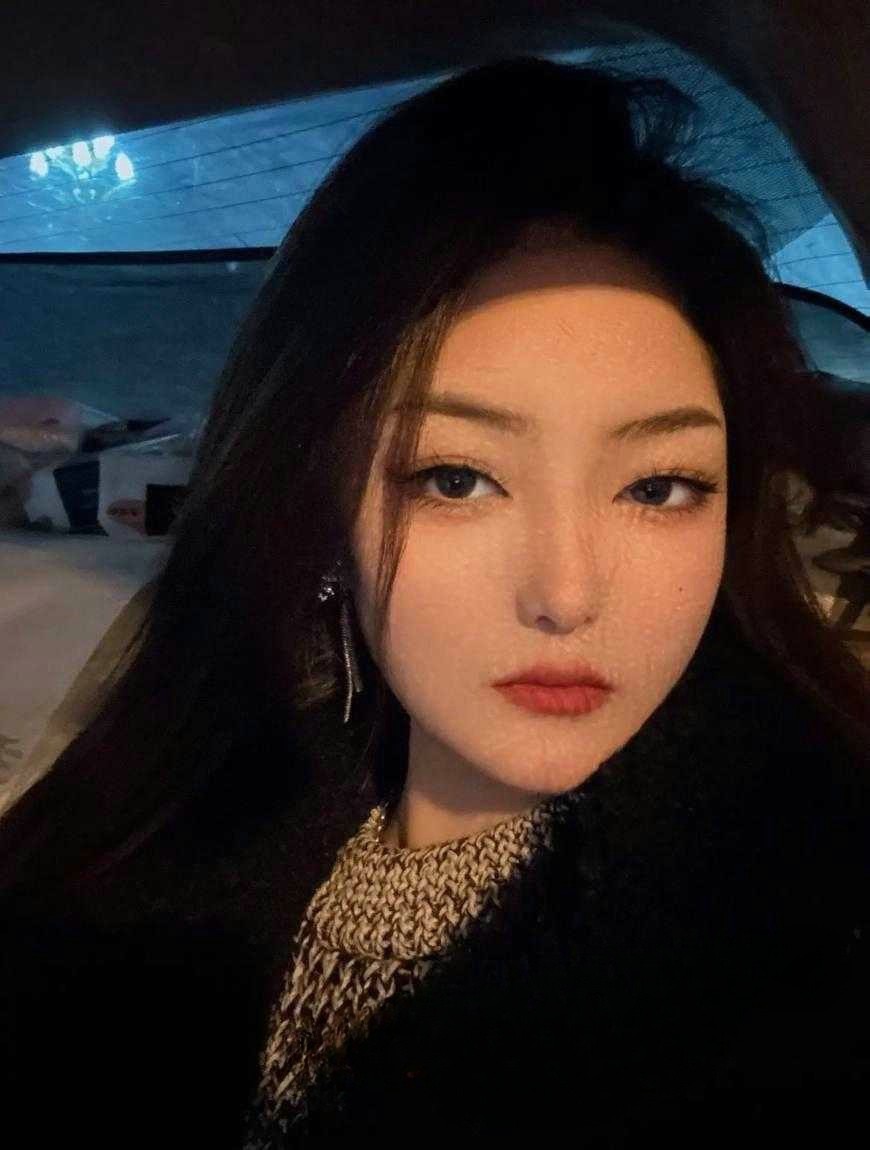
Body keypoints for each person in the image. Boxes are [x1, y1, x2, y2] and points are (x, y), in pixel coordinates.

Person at [0, 56, 868, 1148]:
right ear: (326, 503)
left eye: (657, 488)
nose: (566, 594)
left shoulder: (808, 939)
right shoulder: (154, 825)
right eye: (456, 478)